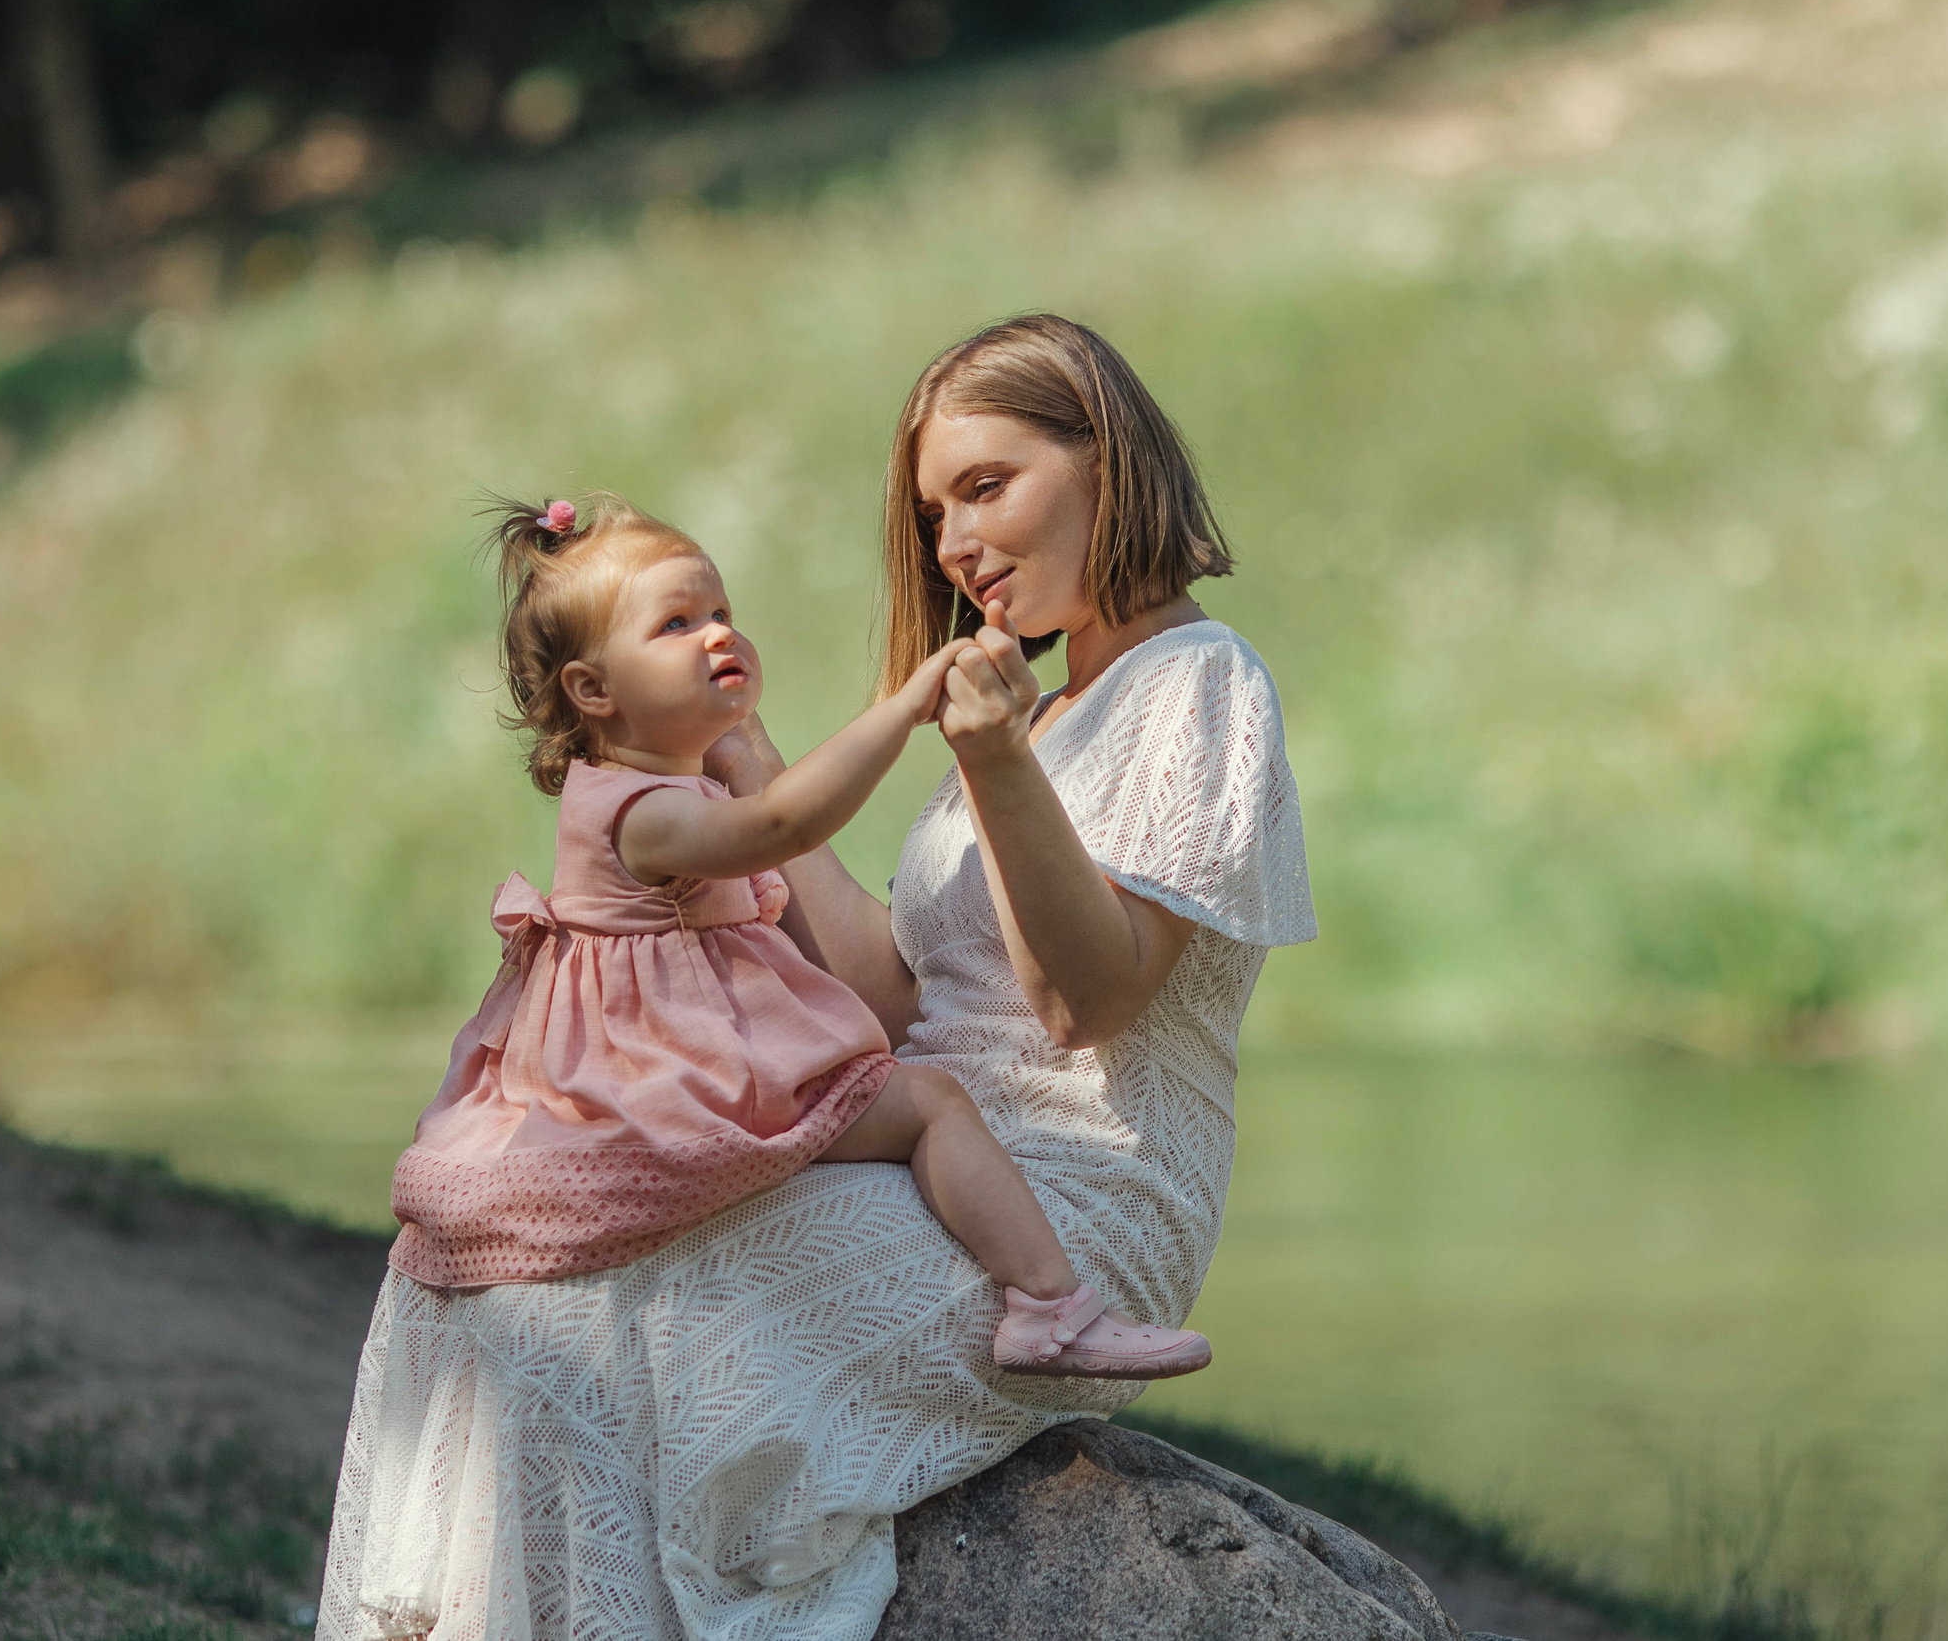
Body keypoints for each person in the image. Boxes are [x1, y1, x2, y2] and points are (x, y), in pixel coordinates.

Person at [321, 313, 1315, 1640]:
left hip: (1077, 1192)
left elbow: (1088, 1003)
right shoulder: (1043, 704)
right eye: (933, 513)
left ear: (1106, 460)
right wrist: (746, 763)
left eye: (986, 486)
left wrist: (999, 765)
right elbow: (900, 1004)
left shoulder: (1197, 682)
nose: (956, 544)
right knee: (489, 1246)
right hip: (919, 1135)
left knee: (647, 1312)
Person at [387, 491, 1210, 1384]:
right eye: (674, 624)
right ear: (594, 691)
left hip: (688, 1058)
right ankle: (1050, 1308)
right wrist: (905, 710)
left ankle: (1045, 1303)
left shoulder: (669, 790)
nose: (717, 635)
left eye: (721, 613)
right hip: (668, 1076)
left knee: (913, 1103)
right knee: (930, 1103)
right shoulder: (636, 813)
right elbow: (781, 825)